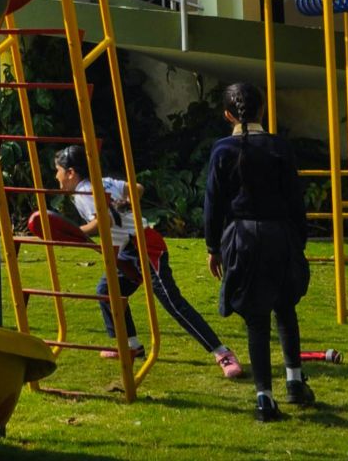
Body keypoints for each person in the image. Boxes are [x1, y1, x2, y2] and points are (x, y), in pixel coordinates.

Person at [51, 143, 242, 378]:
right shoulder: (104, 182)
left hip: (144, 247)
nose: (56, 176)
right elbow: (137, 188)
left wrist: (72, 232)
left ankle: (222, 352)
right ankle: (131, 346)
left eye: (58, 170)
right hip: (128, 249)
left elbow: (103, 222)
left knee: (173, 303)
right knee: (108, 291)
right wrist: (127, 203)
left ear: (71, 172)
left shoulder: (84, 192)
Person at [204, 81, 313, 422]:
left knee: (256, 318)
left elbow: (213, 203)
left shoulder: (222, 150)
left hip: (241, 238)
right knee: (285, 307)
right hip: (280, 233)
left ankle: (264, 398)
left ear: (227, 115)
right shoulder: (280, 147)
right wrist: (298, 241)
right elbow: (295, 199)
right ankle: (294, 381)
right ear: (263, 110)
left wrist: (213, 247)